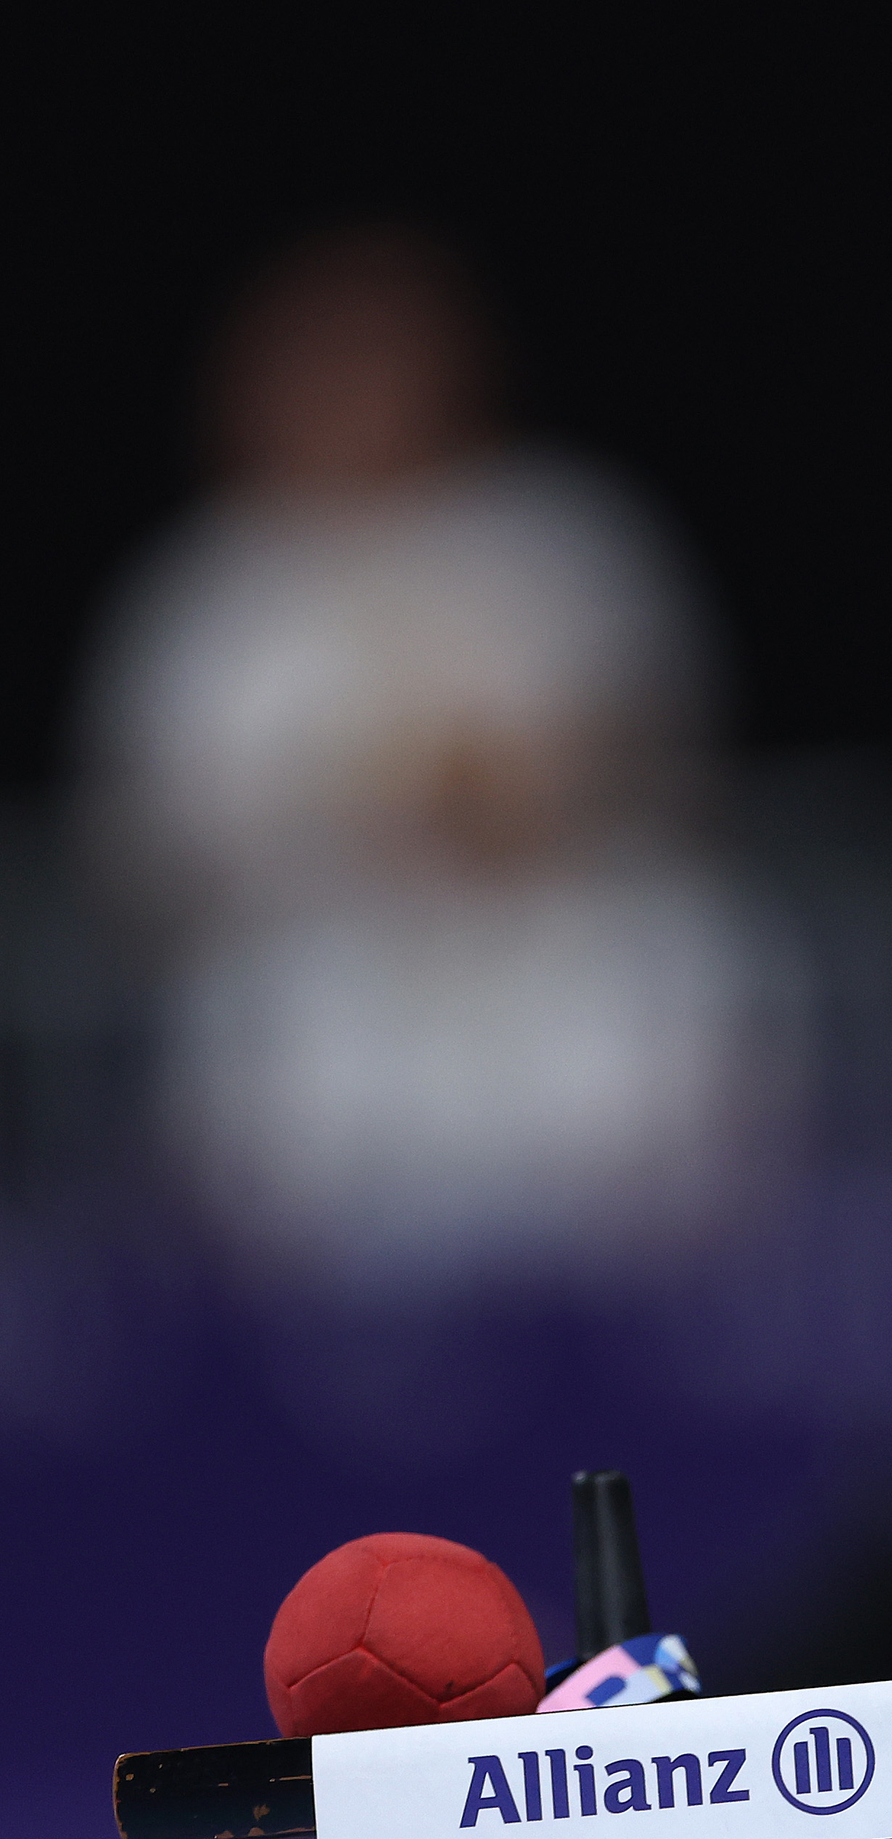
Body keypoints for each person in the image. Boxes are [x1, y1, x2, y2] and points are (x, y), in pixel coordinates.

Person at [78, 225, 769, 1285]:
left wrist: (523, 790)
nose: (356, 394)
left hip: (552, 932)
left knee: (671, 974)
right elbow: (148, 841)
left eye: (380, 359)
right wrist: (356, 808)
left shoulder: (559, 532)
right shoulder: (212, 591)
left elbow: (668, 752)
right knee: (273, 1046)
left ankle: (653, 1360)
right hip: (323, 959)